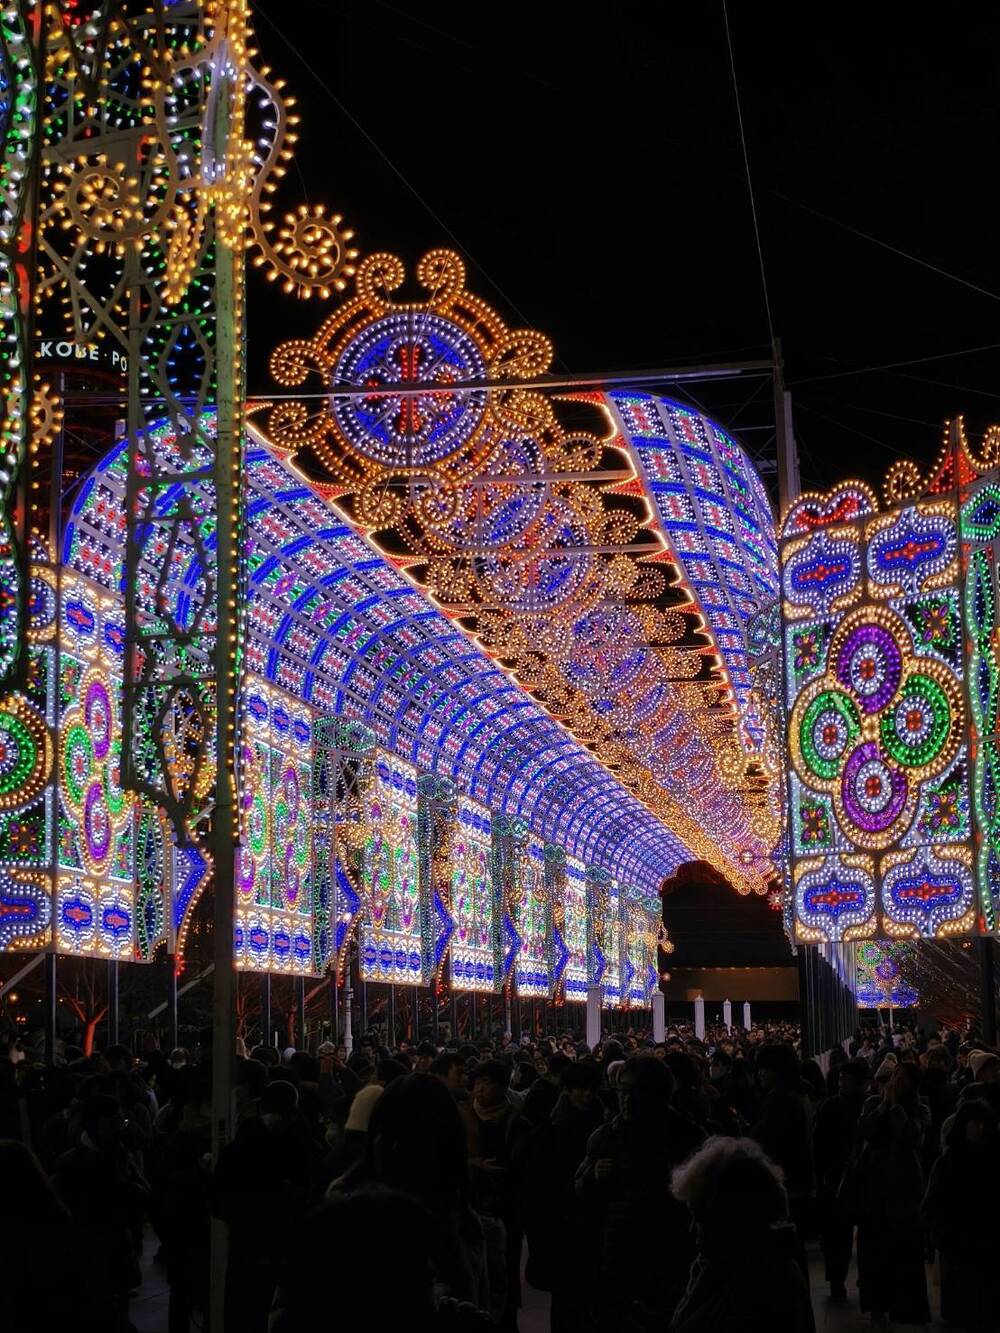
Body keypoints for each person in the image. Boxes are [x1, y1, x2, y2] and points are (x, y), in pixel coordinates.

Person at [577, 1055, 703, 1327]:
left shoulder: (685, 1137)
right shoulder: (606, 1136)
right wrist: (592, 1175)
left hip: (668, 1252)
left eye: (635, 1092)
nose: (626, 1099)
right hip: (616, 1252)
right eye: (621, 1091)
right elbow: (580, 1192)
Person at [669, 1136, 815, 1332]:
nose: (691, 1230)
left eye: (700, 1220)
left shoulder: (762, 1290)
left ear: (732, 1218)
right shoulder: (732, 1264)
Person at [854, 1063, 931, 1327]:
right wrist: (884, 1106)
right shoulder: (874, 1103)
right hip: (874, 1186)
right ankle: (876, 1306)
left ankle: (906, 1308)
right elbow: (864, 1130)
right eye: (895, 1075)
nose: (896, 1081)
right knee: (874, 1251)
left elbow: (911, 1136)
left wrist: (896, 1107)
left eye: (903, 1078)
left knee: (905, 1251)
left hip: (905, 1188)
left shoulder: (920, 1107)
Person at [922, 1099, 1000, 1331]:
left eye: (985, 1123)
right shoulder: (948, 1162)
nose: (981, 1128)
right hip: (959, 1246)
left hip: (988, 1245)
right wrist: (942, 1235)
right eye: (975, 1122)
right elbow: (932, 1205)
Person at [813, 1057, 869, 1301]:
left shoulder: (866, 1107)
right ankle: (837, 1280)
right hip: (836, 1179)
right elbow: (818, 1146)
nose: (842, 1084)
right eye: (841, 1080)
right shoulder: (832, 1107)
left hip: (859, 1178)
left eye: (847, 1081)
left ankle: (861, 1281)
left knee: (849, 1234)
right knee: (838, 1235)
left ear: (862, 1083)